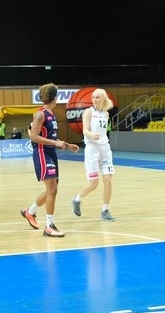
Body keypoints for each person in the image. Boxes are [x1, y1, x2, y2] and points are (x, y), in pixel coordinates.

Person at [21, 83, 79, 238]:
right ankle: (49, 226)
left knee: (52, 189)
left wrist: (66, 145)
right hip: (41, 152)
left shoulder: (51, 114)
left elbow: (50, 137)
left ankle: (29, 212)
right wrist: (56, 143)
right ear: (55, 97)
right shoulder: (40, 114)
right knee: (52, 189)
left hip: (50, 152)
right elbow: (33, 136)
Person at [71, 88, 116, 222]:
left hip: (105, 149)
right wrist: (91, 135)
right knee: (94, 184)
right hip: (92, 149)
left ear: (103, 99)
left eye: (97, 97)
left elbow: (103, 132)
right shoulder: (88, 112)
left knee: (108, 181)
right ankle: (77, 199)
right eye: (93, 97)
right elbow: (85, 130)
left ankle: (105, 210)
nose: (95, 100)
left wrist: (100, 138)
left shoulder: (106, 114)